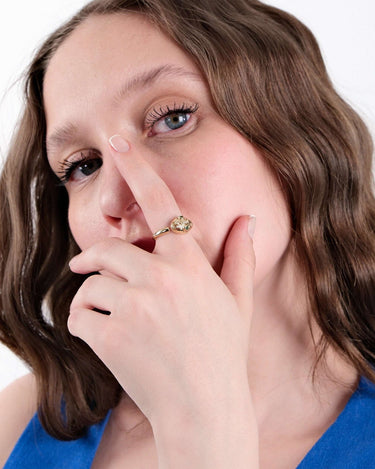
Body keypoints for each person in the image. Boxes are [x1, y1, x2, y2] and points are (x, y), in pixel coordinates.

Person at [0, 0, 374, 467]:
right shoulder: (18, 423)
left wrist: (207, 427)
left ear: (296, 136)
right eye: (84, 166)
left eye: (172, 118)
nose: (114, 200)